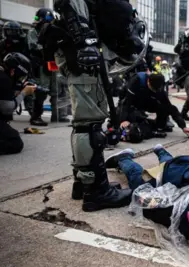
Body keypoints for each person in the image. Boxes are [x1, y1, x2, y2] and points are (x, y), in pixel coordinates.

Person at [37, 0, 143, 211]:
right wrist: (86, 42)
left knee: (86, 123)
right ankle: (96, 191)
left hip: (82, 52)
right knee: (89, 124)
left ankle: (84, 183)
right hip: (83, 54)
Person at [117, 72, 189, 137]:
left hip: (147, 102)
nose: (155, 91)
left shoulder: (159, 88)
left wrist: (183, 126)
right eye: (153, 89)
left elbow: (171, 108)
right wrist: (123, 120)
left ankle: (159, 126)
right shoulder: (137, 81)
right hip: (132, 101)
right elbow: (126, 103)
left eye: (157, 90)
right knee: (130, 121)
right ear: (148, 82)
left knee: (165, 107)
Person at [0, 53, 37, 155]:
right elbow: (7, 108)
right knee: (15, 142)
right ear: (13, 71)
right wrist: (24, 93)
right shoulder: (3, 79)